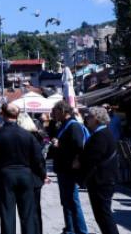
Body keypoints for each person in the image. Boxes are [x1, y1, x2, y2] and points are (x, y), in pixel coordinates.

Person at [0, 103, 46, 234]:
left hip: (5, 175)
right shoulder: (28, 135)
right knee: (28, 215)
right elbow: (38, 158)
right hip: (25, 174)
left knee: (7, 214)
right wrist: (42, 175)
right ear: (17, 115)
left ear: (3, 114)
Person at [81, 107, 120, 234]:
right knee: (101, 215)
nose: (87, 119)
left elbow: (91, 158)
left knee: (103, 215)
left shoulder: (101, 135)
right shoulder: (102, 133)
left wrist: (79, 161)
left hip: (102, 181)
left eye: (89, 117)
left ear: (97, 119)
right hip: (103, 179)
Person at [51, 100, 89, 234]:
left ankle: (82, 231)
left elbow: (79, 147)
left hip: (69, 170)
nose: (53, 115)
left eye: (55, 112)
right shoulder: (64, 125)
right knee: (66, 201)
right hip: (63, 169)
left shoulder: (73, 126)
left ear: (62, 111)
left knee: (73, 201)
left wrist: (59, 145)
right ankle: (70, 229)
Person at [18, 112, 48, 234]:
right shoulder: (38, 136)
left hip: (28, 176)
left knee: (26, 210)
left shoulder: (25, 137)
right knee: (35, 209)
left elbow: (37, 159)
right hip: (35, 177)